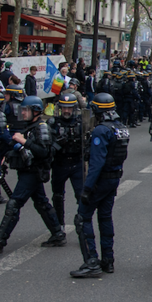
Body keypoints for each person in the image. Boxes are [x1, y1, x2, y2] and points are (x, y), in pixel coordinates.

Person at [0, 96, 68, 254]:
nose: (23, 113)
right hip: (26, 171)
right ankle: (57, 233)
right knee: (41, 203)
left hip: (33, 172)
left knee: (14, 204)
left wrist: (23, 141)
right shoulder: (29, 127)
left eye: (26, 110)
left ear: (36, 111)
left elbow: (43, 152)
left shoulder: (41, 127)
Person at [70, 93, 130, 278]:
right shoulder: (121, 128)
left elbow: (96, 163)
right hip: (113, 178)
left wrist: (87, 188)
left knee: (82, 218)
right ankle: (108, 260)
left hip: (100, 180)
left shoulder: (101, 130)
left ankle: (91, 262)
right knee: (105, 218)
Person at [48, 92, 86, 226]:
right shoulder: (53, 123)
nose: (66, 111)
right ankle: (59, 226)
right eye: (64, 107)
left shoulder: (81, 122)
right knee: (57, 196)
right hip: (60, 163)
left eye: (69, 108)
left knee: (81, 196)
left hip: (76, 162)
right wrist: (56, 143)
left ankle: (83, 226)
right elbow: (47, 146)